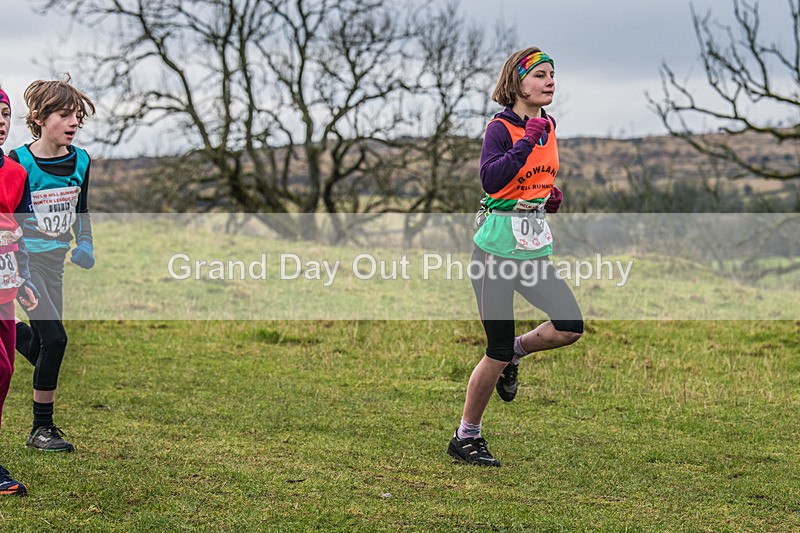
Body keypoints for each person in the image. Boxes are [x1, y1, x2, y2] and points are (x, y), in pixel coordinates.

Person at [447, 47, 584, 467]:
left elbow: (533, 178)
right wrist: (526, 142)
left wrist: (547, 195)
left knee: (570, 326)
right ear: (518, 82)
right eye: (541, 75)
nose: (549, 82)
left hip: (532, 250)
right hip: (495, 254)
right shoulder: (501, 128)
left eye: (552, 76)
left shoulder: (550, 125)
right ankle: (465, 436)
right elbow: (492, 179)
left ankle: (516, 356)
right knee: (495, 347)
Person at [10, 76, 95, 453]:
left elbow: (82, 209)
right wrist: (18, 266)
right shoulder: (18, 162)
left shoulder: (82, 159)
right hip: (22, 266)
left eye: (77, 115)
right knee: (56, 339)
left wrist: (86, 243)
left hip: (56, 265)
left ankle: (8, 333)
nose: (74, 122)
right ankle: (41, 429)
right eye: (64, 114)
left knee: (46, 342)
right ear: (40, 117)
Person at [0, 86, 40, 494]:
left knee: (6, 371)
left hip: (5, 290)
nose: (0, 122)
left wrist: (23, 277)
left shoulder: (16, 174)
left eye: (4, 114)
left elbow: (21, 232)